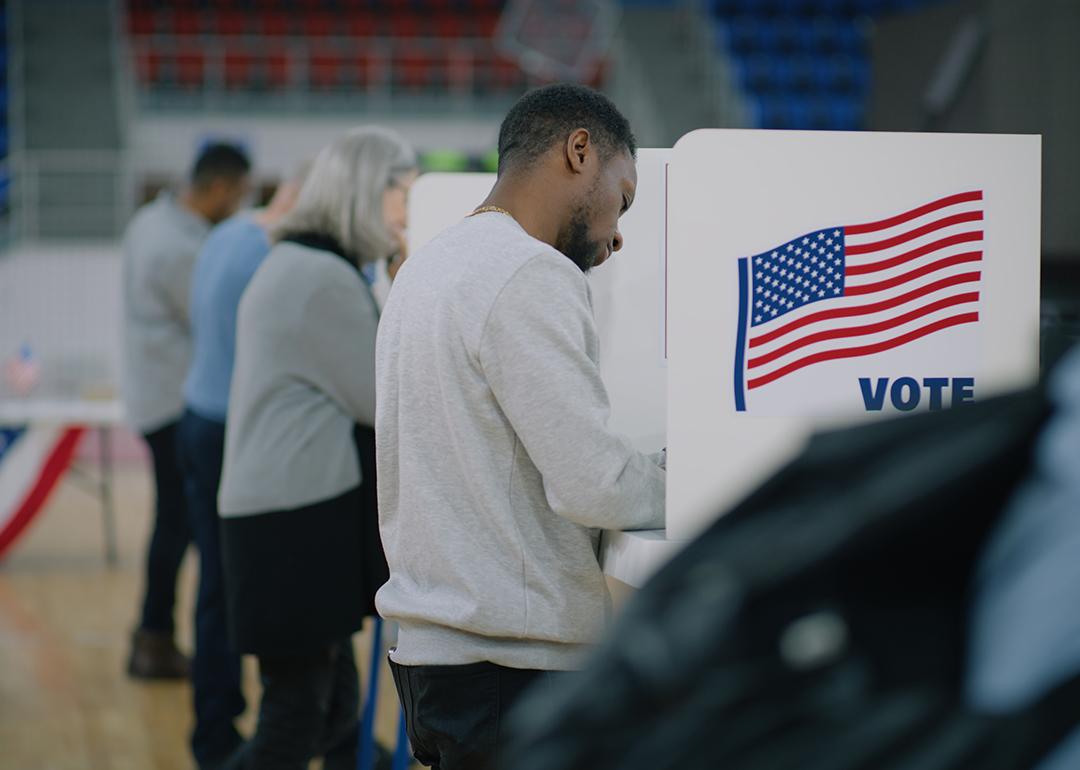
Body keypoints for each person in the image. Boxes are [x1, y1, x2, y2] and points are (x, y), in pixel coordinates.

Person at [374, 83, 666, 770]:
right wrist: (691, 478)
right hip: (507, 666)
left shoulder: (431, 266)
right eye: (621, 197)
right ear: (579, 150)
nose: (618, 232)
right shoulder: (528, 270)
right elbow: (593, 483)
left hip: (439, 656)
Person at [216, 127, 417, 770]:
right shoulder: (320, 278)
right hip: (292, 519)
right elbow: (380, 399)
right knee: (296, 716)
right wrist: (410, 286)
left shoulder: (301, 263)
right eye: (401, 198)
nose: (407, 215)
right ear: (365, 192)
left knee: (326, 707)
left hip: (283, 511)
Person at [176, 164, 308, 770]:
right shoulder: (274, 254)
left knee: (215, 584)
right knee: (237, 589)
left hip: (199, 416)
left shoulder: (226, 234)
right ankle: (225, 736)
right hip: (235, 429)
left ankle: (212, 728)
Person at [121, 142, 252, 680]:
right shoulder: (178, 249)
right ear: (219, 187)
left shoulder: (150, 220)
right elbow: (215, 318)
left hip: (159, 395)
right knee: (179, 527)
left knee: (174, 524)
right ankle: (155, 638)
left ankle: (155, 635)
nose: (241, 206)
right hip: (176, 401)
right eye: (240, 195)